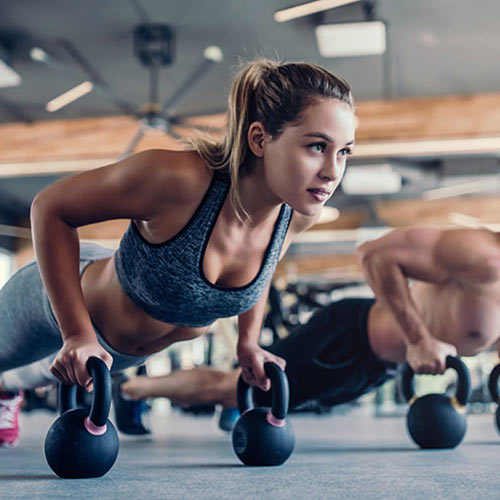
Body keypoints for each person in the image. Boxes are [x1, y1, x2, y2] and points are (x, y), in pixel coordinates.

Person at [0, 58, 357, 446]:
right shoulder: (180, 180)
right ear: (259, 139)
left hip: (115, 354)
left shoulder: (297, 216)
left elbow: (263, 267)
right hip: (56, 304)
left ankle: (6, 390)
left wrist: (248, 343)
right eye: (317, 146)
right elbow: (51, 208)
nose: (332, 171)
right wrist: (76, 333)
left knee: (20, 375)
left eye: (344, 153)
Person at [113, 225, 500, 424]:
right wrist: (418, 338)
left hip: (376, 366)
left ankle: (236, 408)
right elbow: (375, 255)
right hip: (346, 336)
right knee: (232, 388)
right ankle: (131, 388)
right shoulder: (483, 257)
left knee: (260, 400)